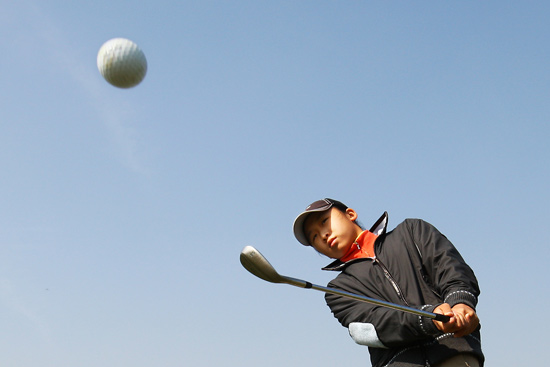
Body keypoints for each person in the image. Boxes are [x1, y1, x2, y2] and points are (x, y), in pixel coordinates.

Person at [293, 198, 483, 367]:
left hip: (454, 352)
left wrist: (460, 304)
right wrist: (427, 318)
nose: (323, 235)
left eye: (324, 221)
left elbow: (451, 269)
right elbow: (373, 328)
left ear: (350, 214)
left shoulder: (412, 231)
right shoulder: (338, 290)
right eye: (314, 237)